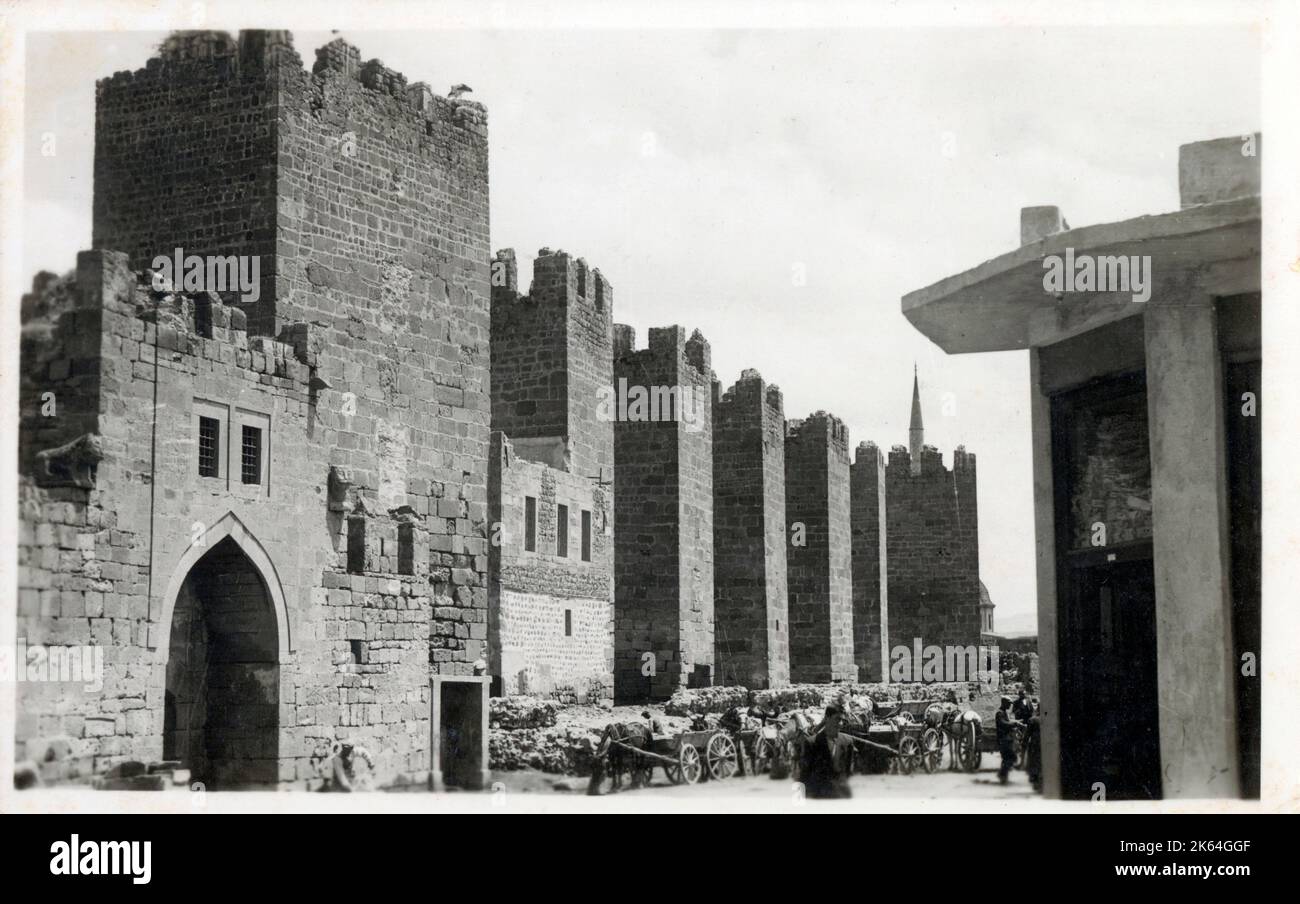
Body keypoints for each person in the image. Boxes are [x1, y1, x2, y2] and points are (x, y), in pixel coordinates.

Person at [799, 703, 855, 798]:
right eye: (837, 719)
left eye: (842, 720)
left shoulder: (847, 742)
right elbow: (805, 774)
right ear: (827, 718)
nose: (840, 724)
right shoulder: (811, 743)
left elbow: (848, 771)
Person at [994, 696, 1021, 784]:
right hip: (1003, 739)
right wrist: (1014, 723)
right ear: (1004, 703)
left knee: (1008, 758)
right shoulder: (999, 713)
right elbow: (1003, 723)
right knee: (1010, 757)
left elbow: (1007, 721)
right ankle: (1002, 775)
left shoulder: (1004, 712)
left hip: (1007, 739)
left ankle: (1002, 775)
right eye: (1009, 704)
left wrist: (1016, 721)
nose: (1010, 706)